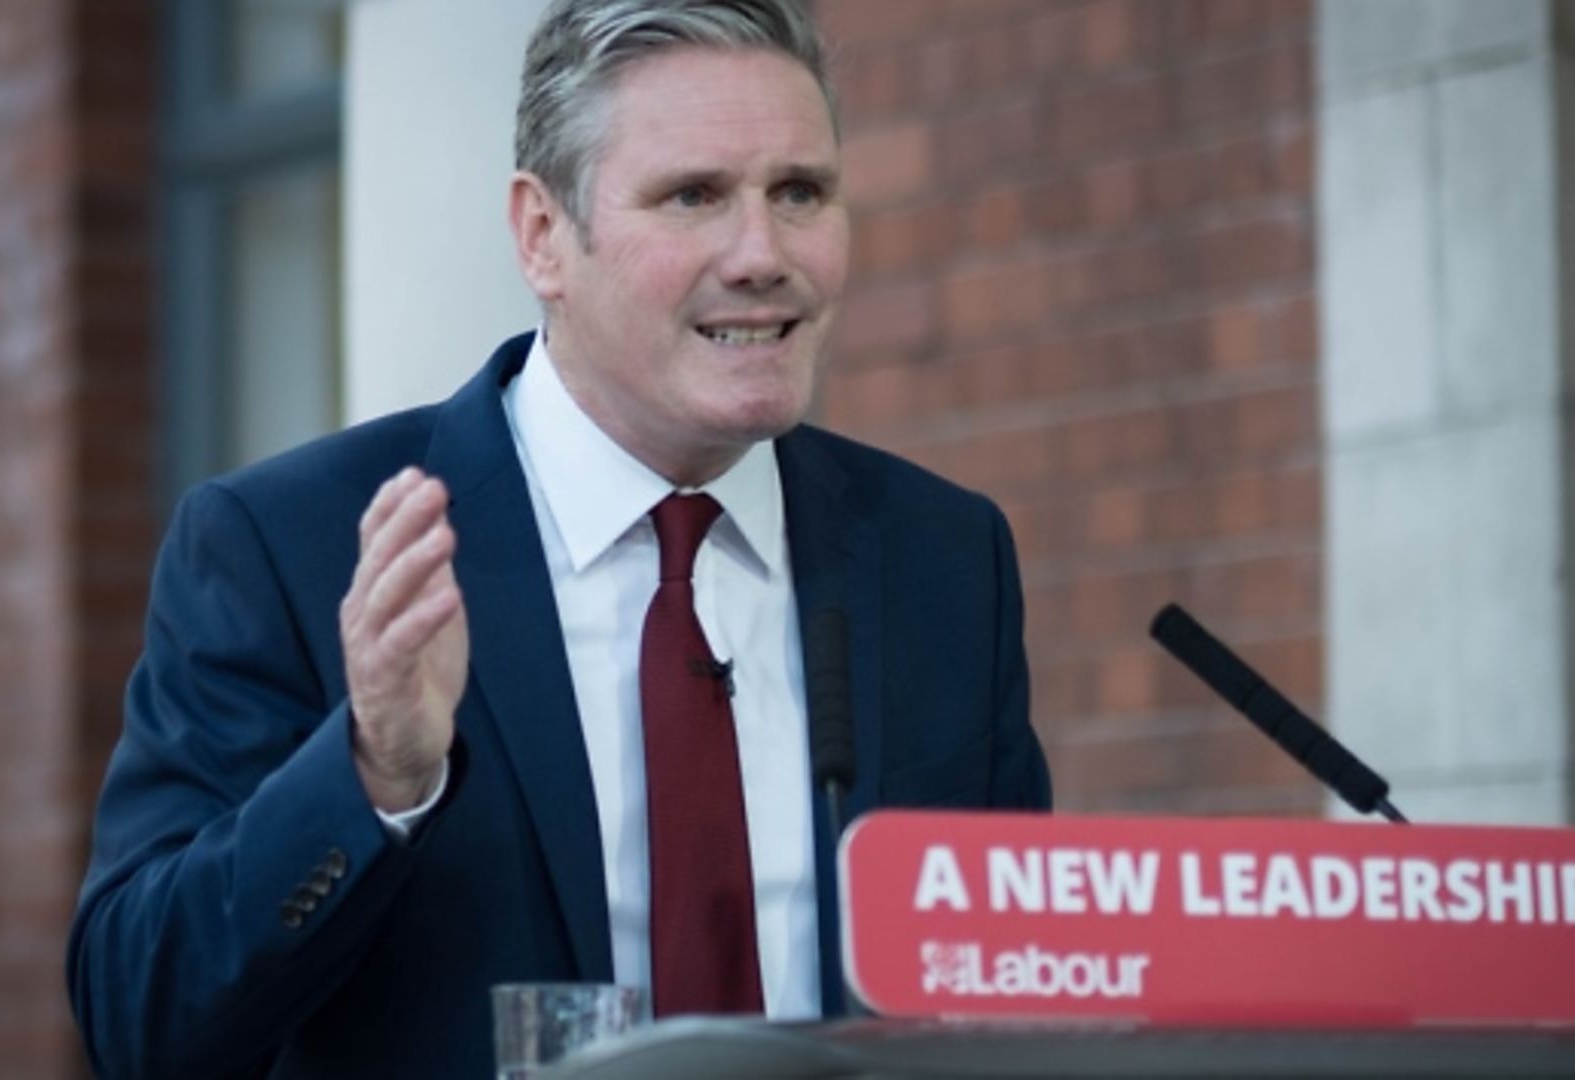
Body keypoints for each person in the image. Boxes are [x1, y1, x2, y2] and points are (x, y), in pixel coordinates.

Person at [66, 0, 1049, 1074]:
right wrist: (372, 775)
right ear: (544, 237)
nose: (763, 253)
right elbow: (139, 1016)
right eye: (695, 196)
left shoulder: (942, 560)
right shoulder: (292, 547)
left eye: (800, 192)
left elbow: (1014, 995)